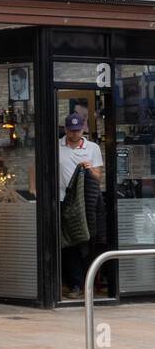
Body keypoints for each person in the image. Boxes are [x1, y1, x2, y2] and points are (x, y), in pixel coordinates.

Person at [58, 112, 104, 300]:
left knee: (86, 241)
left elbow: (98, 176)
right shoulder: (57, 147)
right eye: (71, 130)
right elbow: (35, 167)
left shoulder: (92, 148)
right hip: (63, 200)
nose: (74, 134)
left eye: (77, 130)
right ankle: (74, 283)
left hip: (85, 202)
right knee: (68, 242)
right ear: (66, 129)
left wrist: (88, 168)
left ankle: (88, 283)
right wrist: (34, 189)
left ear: (83, 129)